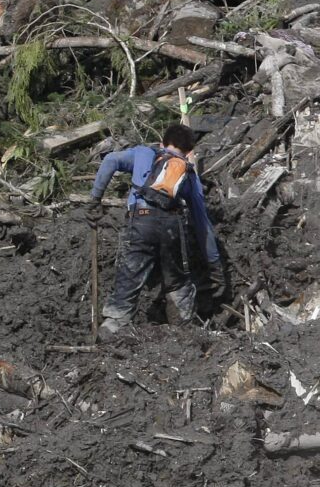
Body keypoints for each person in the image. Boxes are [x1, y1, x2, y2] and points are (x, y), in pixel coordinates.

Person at [86, 123, 227, 336]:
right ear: (189, 152)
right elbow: (201, 222)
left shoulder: (144, 153)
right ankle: (182, 330)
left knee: (131, 272)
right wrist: (215, 265)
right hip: (172, 227)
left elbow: (110, 160)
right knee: (177, 279)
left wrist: (95, 200)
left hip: (141, 220)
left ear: (162, 143)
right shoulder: (188, 173)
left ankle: (113, 325)